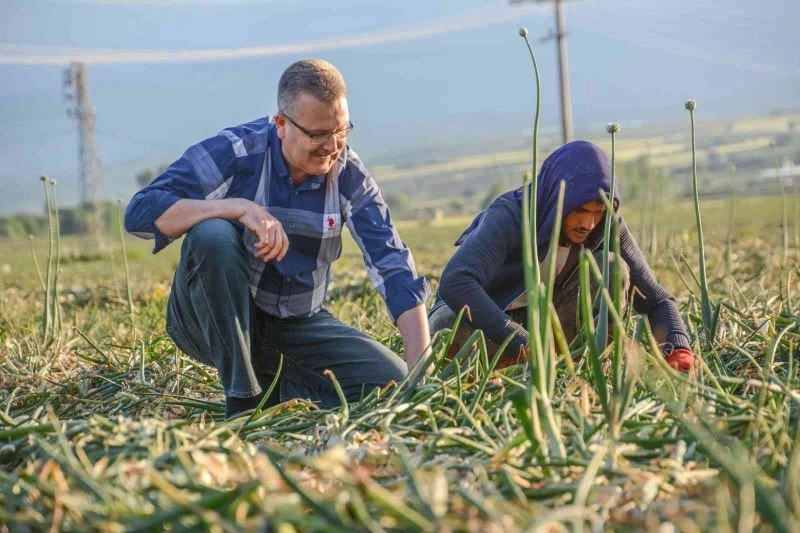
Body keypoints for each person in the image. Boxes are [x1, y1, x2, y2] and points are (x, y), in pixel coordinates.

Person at [125, 59, 431, 417]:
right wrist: (235, 207)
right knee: (213, 235)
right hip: (210, 319)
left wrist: (421, 381)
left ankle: (272, 394)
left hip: (294, 324)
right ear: (281, 124)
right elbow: (140, 213)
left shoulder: (348, 173)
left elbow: (393, 267)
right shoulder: (237, 153)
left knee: (390, 385)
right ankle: (242, 400)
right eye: (317, 134)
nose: (331, 147)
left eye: (341, 131)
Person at [429, 140, 695, 372]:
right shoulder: (510, 216)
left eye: (598, 212)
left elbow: (657, 299)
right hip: (491, 327)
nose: (588, 224)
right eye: (579, 209)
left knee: (611, 268)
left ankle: (580, 370)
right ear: (558, 198)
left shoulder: (607, 225)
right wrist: (519, 339)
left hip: (548, 332)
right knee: (446, 321)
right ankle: (480, 376)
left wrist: (678, 350)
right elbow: (456, 281)